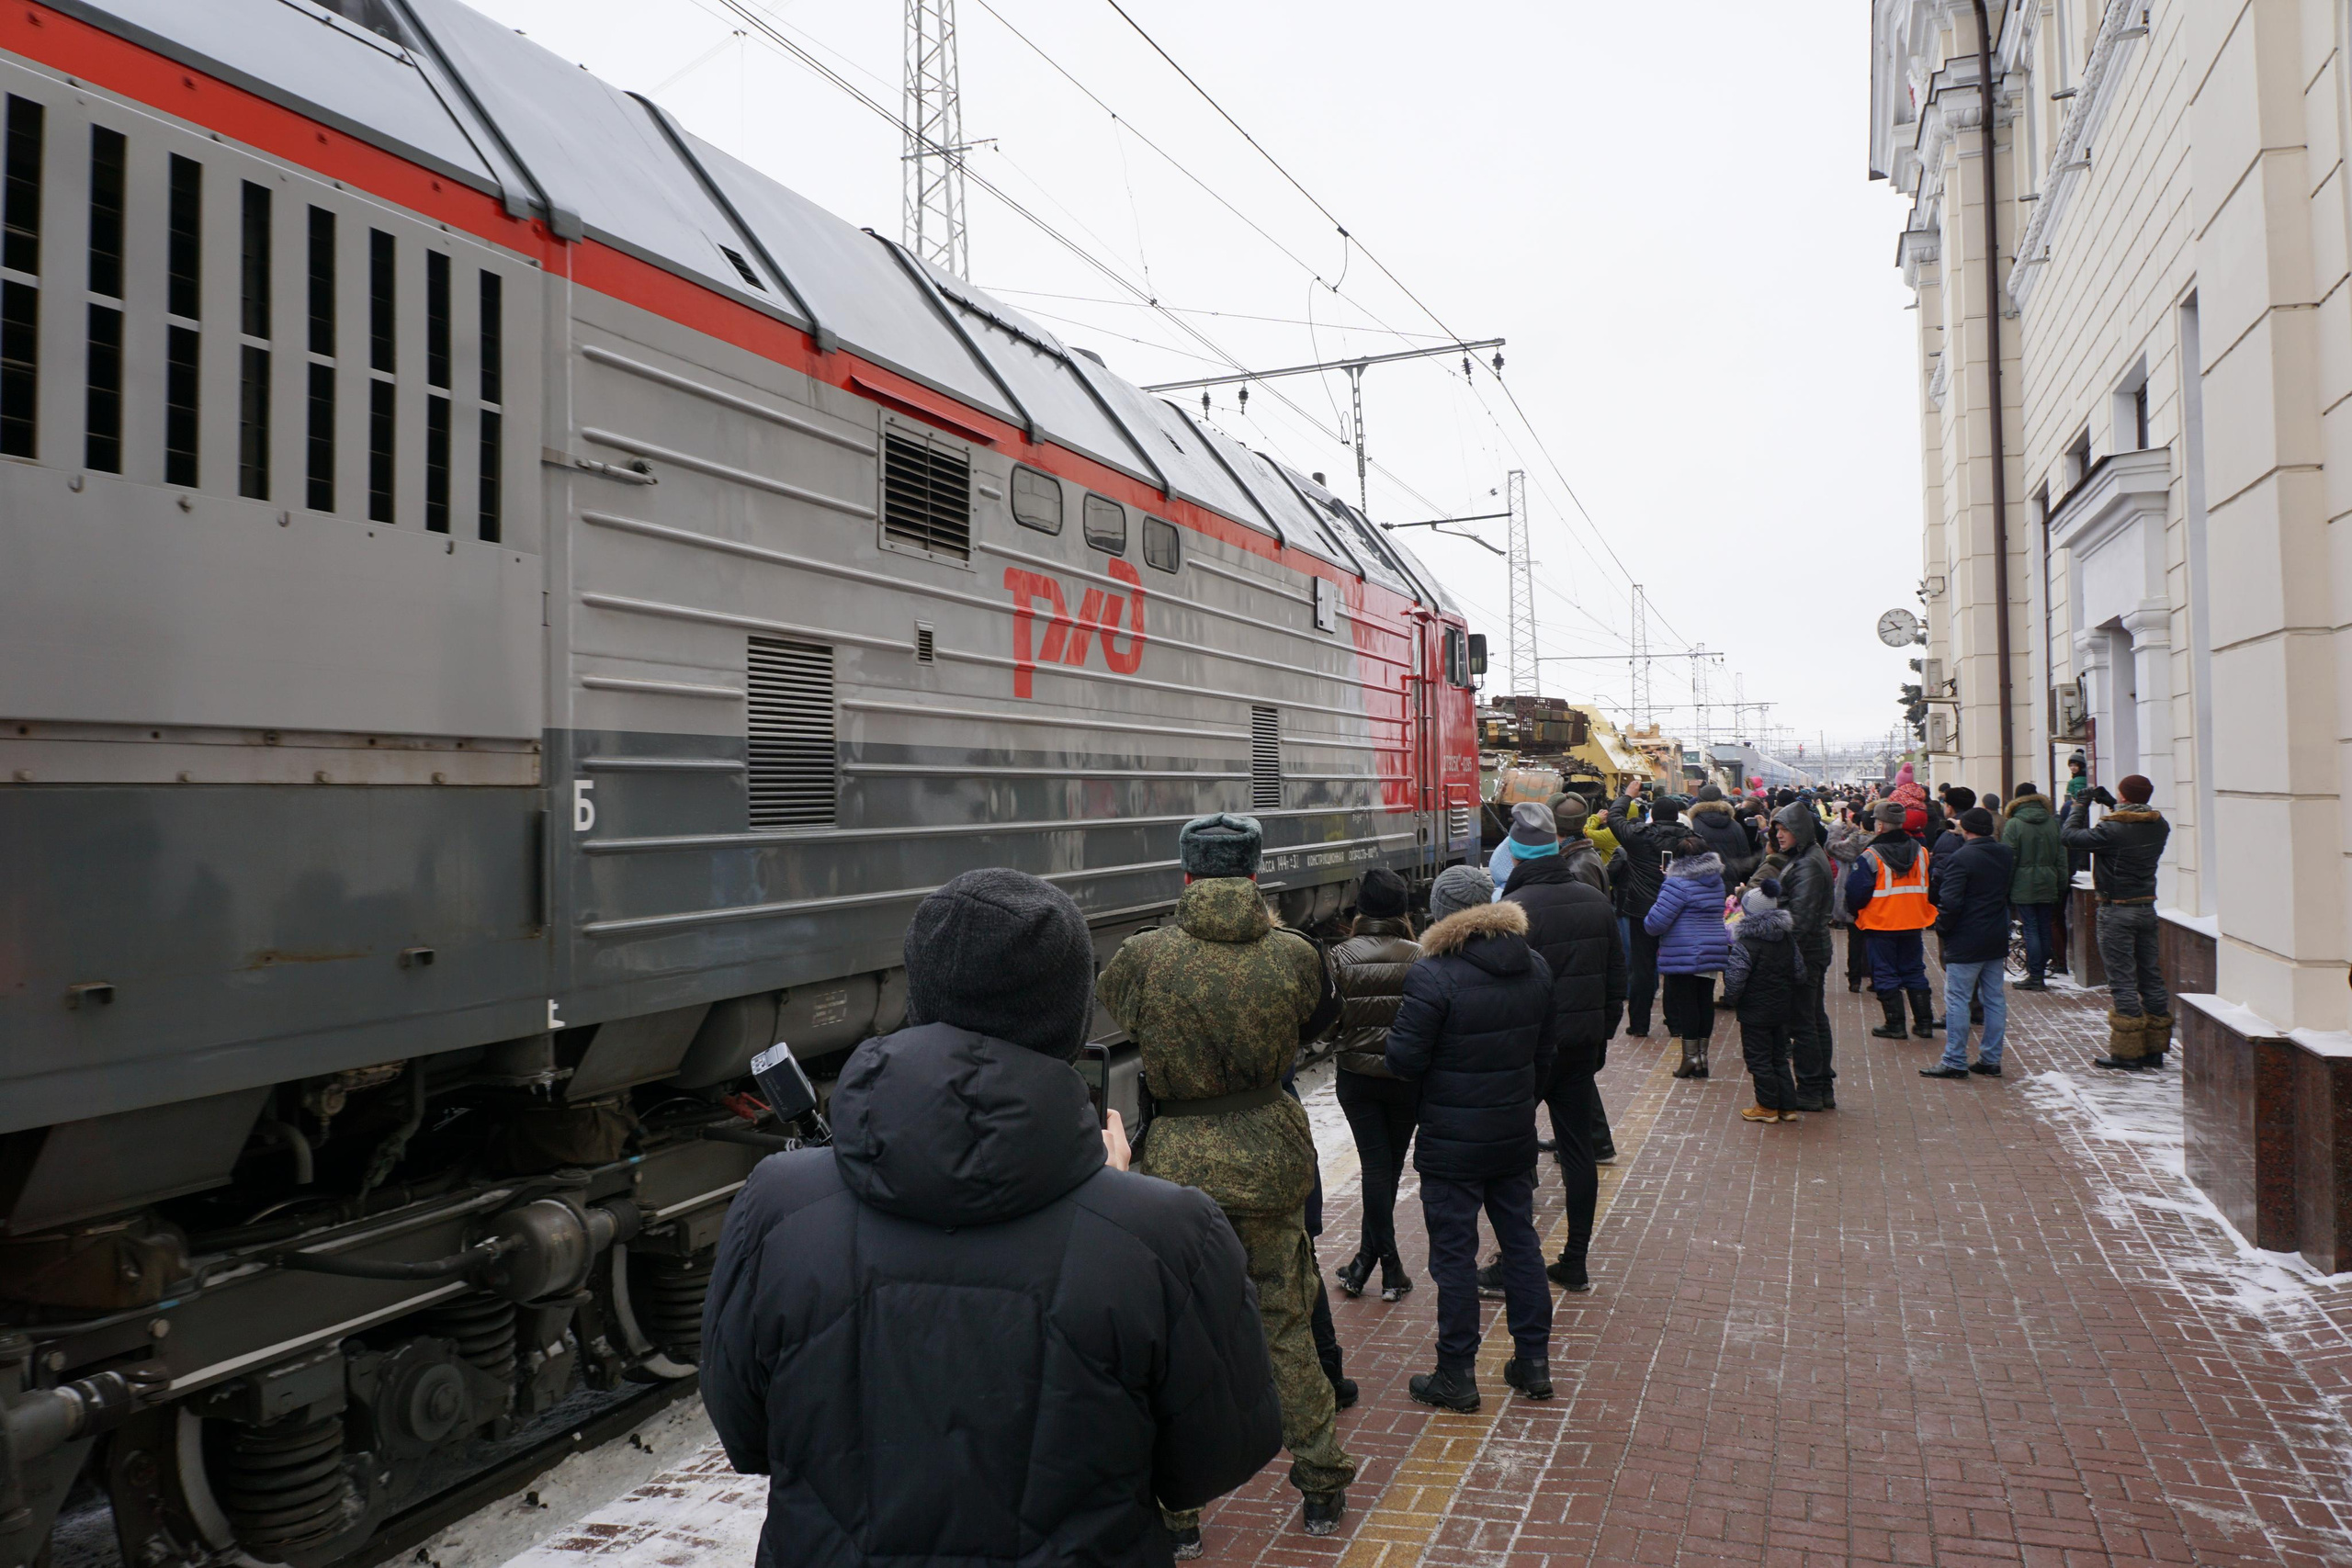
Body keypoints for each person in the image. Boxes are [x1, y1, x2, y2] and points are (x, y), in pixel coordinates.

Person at [700, 869, 1283, 1568]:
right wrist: (1114, 1207)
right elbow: (1216, 1456)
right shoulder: (1172, 1234)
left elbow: (747, 1435)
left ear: (922, 996)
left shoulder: (773, 1205)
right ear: (1072, 1018)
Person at [1099, 814, 1355, 1542]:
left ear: (1185, 875)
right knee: (1285, 1320)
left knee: (1180, 1337)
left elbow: (1124, 1015)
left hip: (1179, 1168)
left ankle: (1179, 1514)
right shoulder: (1294, 954)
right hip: (1272, 1153)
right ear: (1254, 874)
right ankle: (1321, 1482)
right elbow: (1316, 1025)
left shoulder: (1144, 956)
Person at [1385, 864, 1557, 1412]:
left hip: (1451, 1141)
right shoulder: (1534, 966)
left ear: (1442, 914)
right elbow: (1546, 1056)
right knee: (1522, 1244)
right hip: (1511, 1135)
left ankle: (1456, 1373)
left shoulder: (1432, 975)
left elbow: (1404, 1061)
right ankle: (1533, 1364)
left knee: (1454, 1258)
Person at [1499, 813, 1626, 1291]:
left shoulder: (1514, 908)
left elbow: (1505, 991)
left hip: (1528, 1054)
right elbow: (1618, 980)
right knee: (1578, 1154)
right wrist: (1600, 1036)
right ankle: (1574, 1259)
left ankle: (1514, 1258)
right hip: (1578, 1050)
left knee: (1513, 1152)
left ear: (1515, 854)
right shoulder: (1595, 902)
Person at [1329, 866, 1422, 1303]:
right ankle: (1390, 1268)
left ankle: (1371, 1263)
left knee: (1376, 1168)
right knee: (1386, 1169)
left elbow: (1327, 1024)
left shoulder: (1339, 957)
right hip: (1406, 1079)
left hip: (1356, 1079)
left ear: (1360, 908)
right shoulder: (1421, 955)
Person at [2062, 776, 2173, 1069]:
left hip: (2116, 911)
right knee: (2151, 976)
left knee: (2122, 979)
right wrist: (2112, 803)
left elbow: (2070, 837)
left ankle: (2128, 1051)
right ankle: (2155, 1049)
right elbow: (2130, 823)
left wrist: (2079, 804)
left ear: (2124, 796)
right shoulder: (2160, 825)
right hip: (2146, 908)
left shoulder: (2112, 829)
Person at [1923, 807, 2016, 1079]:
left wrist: (1942, 928)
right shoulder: (2005, 854)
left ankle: (1954, 1060)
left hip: (1966, 938)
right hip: (1995, 935)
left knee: (1958, 1000)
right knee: (1995, 999)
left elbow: (1950, 902)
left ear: (1966, 829)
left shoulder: (1961, 858)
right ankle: (1990, 1059)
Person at [1847, 801, 1940, 1040]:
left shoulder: (1870, 856)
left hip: (1881, 923)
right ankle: (1925, 1023)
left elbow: (1856, 893)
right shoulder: (1921, 852)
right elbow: (1932, 885)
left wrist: (1857, 912)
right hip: (1914, 921)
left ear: (1879, 825)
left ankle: (1895, 1024)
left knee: (1885, 973)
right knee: (1914, 970)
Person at [1720, 878, 1806, 1122]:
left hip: (1754, 1011)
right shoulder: (1787, 938)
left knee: (1758, 1057)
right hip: (1781, 1008)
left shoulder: (1746, 943)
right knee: (1779, 1055)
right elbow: (1800, 973)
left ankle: (1767, 1106)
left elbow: (1735, 979)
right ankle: (1787, 1106)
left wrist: (1731, 999)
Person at [1645, 833, 1730, 1078]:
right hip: (1712, 946)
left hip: (1684, 951)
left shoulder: (1676, 884)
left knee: (1687, 1004)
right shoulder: (1716, 880)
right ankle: (1702, 1057)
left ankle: (1690, 1058)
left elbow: (1656, 922)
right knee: (1704, 1001)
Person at [1771, 802, 1838, 1111]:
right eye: (1777, 828)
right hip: (1813, 950)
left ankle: (1811, 1088)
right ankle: (1821, 1086)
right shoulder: (1809, 857)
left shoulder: (1808, 864)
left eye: (1784, 829)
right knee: (1814, 1018)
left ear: (1800, 831)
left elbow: (1801, 919)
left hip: (1804, 953)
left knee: (1803, 1022)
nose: (1779, 834)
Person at [1608, 784, 1683, 1038]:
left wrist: (1628, 794)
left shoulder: (1637, 837)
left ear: (1652, 815)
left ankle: (1639, 1025)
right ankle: (1675, 1023)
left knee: (1642, 968)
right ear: (1676, 816)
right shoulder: (1690, 840)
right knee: (1674, 966)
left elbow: (1615, 816)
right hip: (1676, 911)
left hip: (1642, 912)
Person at [2001, 784, 2065, 990]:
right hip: (2048, 881)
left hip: (2023, 883)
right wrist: (2061, 884)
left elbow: (2009, 860)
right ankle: (2041, 973)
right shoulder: (2052, 823)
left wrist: (2005, 888)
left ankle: (2035, 975)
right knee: (2044, 927)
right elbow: (2061, 857)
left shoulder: (2014, 824)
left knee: (2030, 929)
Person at [1826, 806, 1871, 993]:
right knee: (1874, 940)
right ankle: (1875, 976)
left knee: (1855, 939)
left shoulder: (1854, 844)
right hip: (1875, 899)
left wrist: (1837, 828)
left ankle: (1855, 979)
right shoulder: (1879, 843)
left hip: (1852, 897)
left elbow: (1832, 848)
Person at [1688, 784, 1762, 885]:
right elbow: (1745, 857)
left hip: (1701, 885)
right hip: (1731, 886)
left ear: (1699, 801)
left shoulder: (1692, 825)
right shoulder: (1736, 826)